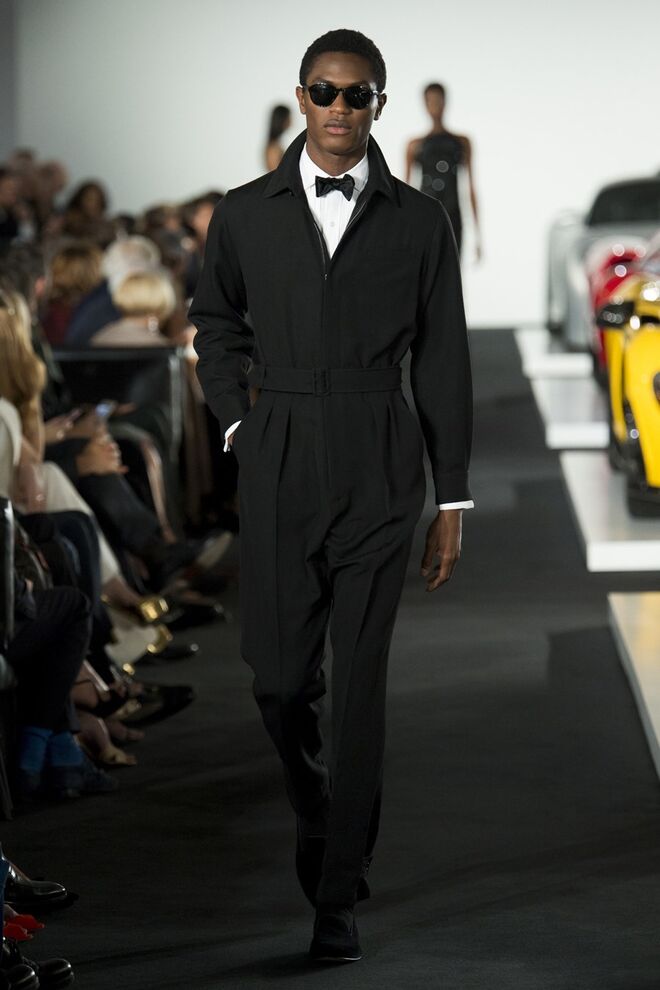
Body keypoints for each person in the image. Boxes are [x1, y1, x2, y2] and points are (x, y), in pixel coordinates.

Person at [190, 27, 473, 963]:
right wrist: (239, 422)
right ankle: (318, 803)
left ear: (379, 104)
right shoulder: (244, 213)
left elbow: (443, 360)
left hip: (380, 460)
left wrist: (452, 499)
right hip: (278, 452)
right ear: (301, 95)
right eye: (324, 90)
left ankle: (338, 891)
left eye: (357, 94)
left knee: (359, 691)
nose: (339, 108)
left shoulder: (420, 223)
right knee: (278, 681)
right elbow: (214, 321)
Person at [405, 82, 481, 259]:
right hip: (425, 216)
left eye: (438, 100)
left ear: (446, 102)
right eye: (430, 101)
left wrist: (478, 234)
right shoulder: (415, 145)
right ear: (424, 104)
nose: (435, 106)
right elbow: (406, 191)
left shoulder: (461, 142)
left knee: (452, 267)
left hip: (453, 214)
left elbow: (471, 187)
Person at [264, 105, 292, 171]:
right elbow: (274, 172)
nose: (291, 121)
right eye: (289, 118)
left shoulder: (276, 144)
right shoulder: (273, 148)